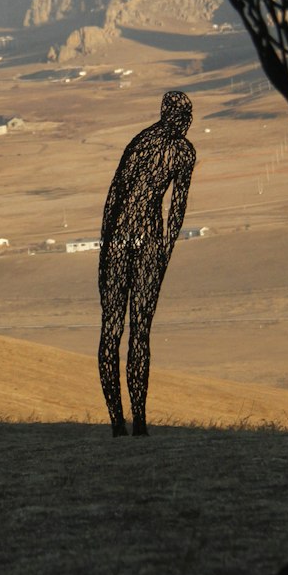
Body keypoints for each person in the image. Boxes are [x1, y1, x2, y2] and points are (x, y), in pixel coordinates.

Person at [97, 89, 195, 436]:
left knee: (118, 330)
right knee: (134, 330)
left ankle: (126, 422)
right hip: (144, 242)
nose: (184, 124)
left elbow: (114, 198)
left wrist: (106, 247)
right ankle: (129, 421)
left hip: (122, 241)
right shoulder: (180, 152)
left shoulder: (141, 143)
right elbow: (175, 210)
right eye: (183, 118)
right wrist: (164, 250)